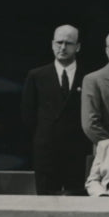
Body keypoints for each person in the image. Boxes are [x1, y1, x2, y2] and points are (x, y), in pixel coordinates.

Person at [21, 23, 91, 194]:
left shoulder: (89, 77)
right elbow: (28, 116)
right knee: (46, 202)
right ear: (52, 44)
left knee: (76, 201)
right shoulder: (37, 76)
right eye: (59, 42)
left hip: (77, 153)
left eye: (68, 43)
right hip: (46, 153)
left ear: (78, 47)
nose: (63, 47)